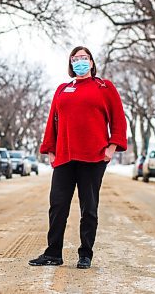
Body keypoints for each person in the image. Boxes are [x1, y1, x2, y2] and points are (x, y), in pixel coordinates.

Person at [28, 46, 127, 269]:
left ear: (91, 63)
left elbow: (119, 119)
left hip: (94, 157)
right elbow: (52, 120)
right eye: (76, 58)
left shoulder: (104, 87)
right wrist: (50, 149)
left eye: (84, 58)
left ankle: (85, 254)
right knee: (57, 206)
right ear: (71, 64)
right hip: (64, 156)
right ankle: (53, 253)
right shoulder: (63, 89)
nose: (80, 61)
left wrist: (111, 147)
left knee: (89, 207)